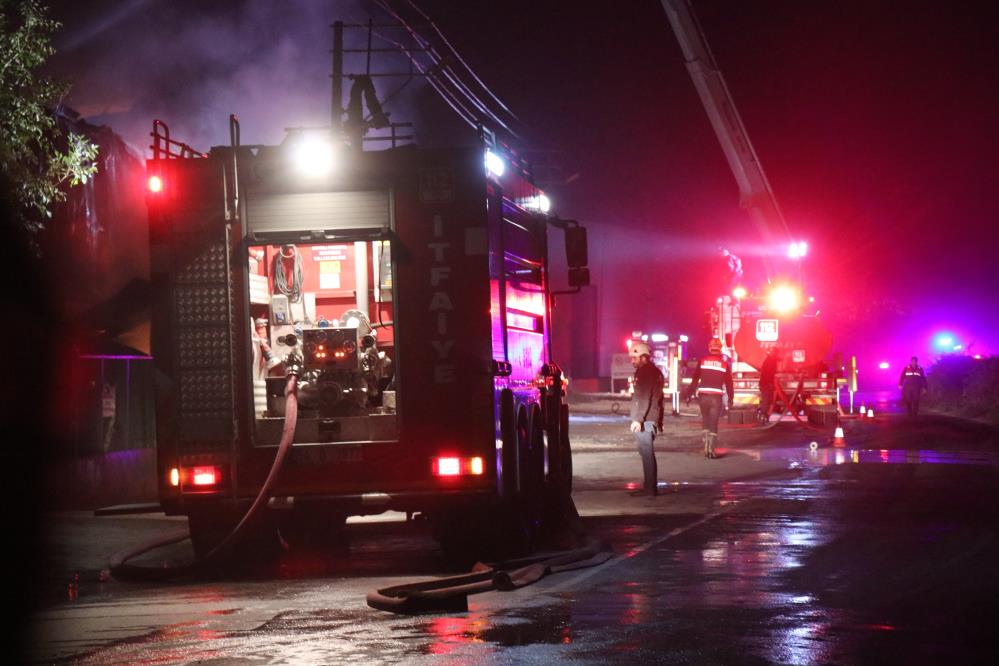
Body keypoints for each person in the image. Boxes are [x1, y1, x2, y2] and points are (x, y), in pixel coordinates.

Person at [685, 338, 735, 458]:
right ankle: (711, 450)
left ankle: (705, 445)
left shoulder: (702, 361)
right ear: (720, 349)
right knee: (713, 422)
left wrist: (689, 395)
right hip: (716, 397)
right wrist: (731, 399)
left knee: (706, 419)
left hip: (703, 396)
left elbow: (695, 379)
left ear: (709, 347)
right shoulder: (724, 365)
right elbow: (729, 383)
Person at [628, 341, 664, 496]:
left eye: (634, 358)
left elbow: (644, 398)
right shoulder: (654, 372)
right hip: (650, 418)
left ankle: (650, 488)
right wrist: (659, 421)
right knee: (645, 453)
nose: (632, 361)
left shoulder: (645, 372)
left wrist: (638, 419)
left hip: (645, 419)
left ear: (643, 357)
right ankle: (649, 486)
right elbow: (659, 399)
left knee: (647, 453)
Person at [758, 347, 781, 424]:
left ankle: (765, 417)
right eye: (776, 353)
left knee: (769, 402)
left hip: (766, 384)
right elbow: (769, 374)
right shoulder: (770, 361)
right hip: (766, 385)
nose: (776, 355)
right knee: (767, 402)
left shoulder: (769, 360)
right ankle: (764, 417)